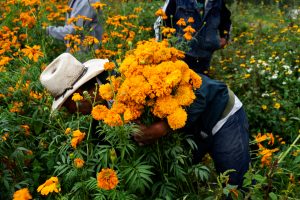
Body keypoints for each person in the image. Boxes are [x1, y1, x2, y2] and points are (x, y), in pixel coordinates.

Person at [133, 74, 250, 188]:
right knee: (179, 175)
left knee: (235, 182)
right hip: (194, 126)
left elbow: (202, 91)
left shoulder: (174, 65)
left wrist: (164, 127)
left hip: (221, 114)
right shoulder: (126, 81)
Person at [154, 0, 232, 74]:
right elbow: (161, 22)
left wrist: (225, 37)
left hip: (205, 55)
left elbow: (226, 19)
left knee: (201, 83)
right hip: (181, 54)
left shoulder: (217, 1)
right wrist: (162, 47)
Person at [39, 52, 108, 113]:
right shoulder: (99, 109)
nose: (70, 112)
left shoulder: (116, 83)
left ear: (79, 95)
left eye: (67, 106)